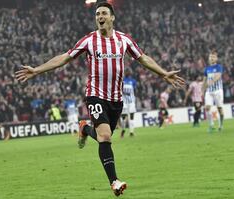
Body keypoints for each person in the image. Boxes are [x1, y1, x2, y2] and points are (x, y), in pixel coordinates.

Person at [15, 2, 185, 196]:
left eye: (104, 13)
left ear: (112, 17)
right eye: (97, 14)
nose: (100, 17)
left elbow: (143, 58)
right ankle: (114, 182)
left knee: (103, 137)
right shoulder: (88, 41)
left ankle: (85, 128)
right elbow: (64, 57)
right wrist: (37, 69)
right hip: (95, 95)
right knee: (105, 136)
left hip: (116, 99)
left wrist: (163, 74)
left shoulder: (124, 40)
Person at [202, 51, 224, 133]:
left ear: (216, 58)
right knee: (207, 108)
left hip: (218, 91)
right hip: (209, 91)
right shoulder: (207, 69)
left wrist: (212, 81)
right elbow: (204, 81)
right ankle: (211, 125)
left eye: (213, 57)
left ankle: (221, 125)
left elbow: (218, 75)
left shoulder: (219, 67)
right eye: (210, 57)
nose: (211, 58)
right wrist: (202, 90)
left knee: (220, 109)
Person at [120, 70, 137, 137]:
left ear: (130, 73)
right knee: (123, 118)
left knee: (132, 117)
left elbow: (134, 90)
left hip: (131, 101)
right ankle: (123, 129)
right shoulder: (122, 81)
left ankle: (131, 132)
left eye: (128, 72)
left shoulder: (133, 81)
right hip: (124, 102)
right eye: (126, 72)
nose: (127, 73)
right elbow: (119, 90)